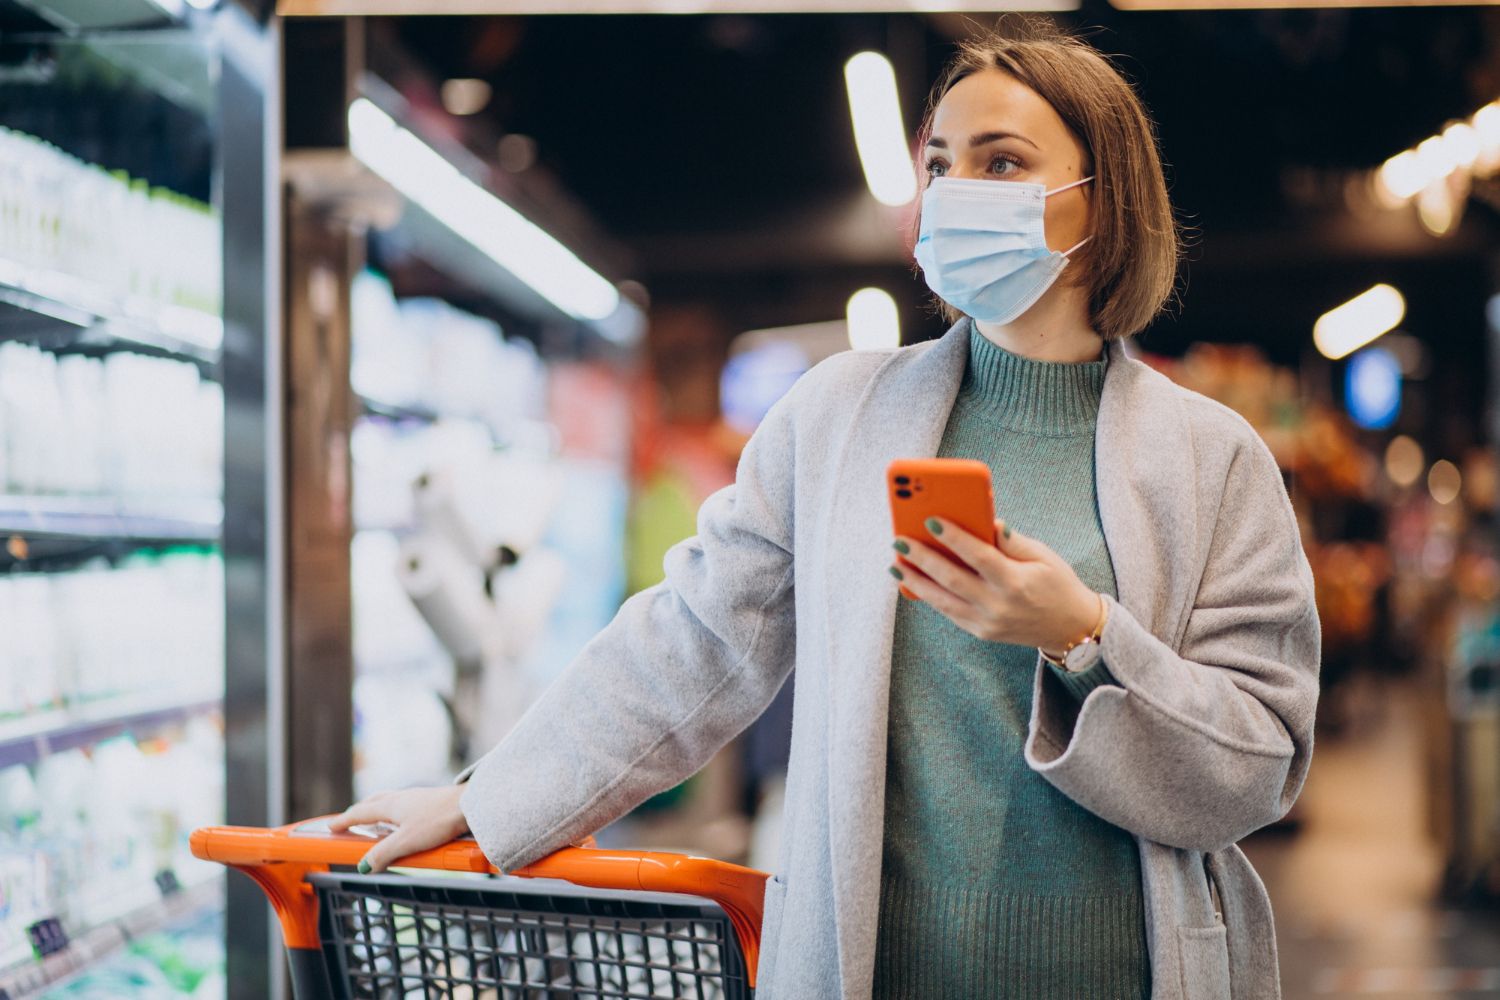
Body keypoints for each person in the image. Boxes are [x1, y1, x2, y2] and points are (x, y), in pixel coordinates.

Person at [332, 19, 1320, 1000]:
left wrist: (1082, 635)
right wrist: (487, 801)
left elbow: (1258, 763)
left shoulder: (1212, 459)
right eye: (940, 165)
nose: (956, 192)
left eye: (1002, 160)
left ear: (1101, 199)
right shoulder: (836, 418)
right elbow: (689, 645)